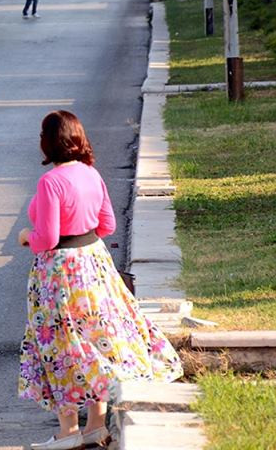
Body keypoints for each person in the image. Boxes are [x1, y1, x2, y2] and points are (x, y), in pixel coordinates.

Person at [17, 111, 183, 450]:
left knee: (60, 344)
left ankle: (67, 432)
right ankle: (95, 425)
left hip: (59, 272)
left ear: (48, 141)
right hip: (94, 263)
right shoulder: (91, 174)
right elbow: (107, 225)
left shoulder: (51, 182)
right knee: (95, 339)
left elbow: (47, 238)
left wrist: (24, 236)